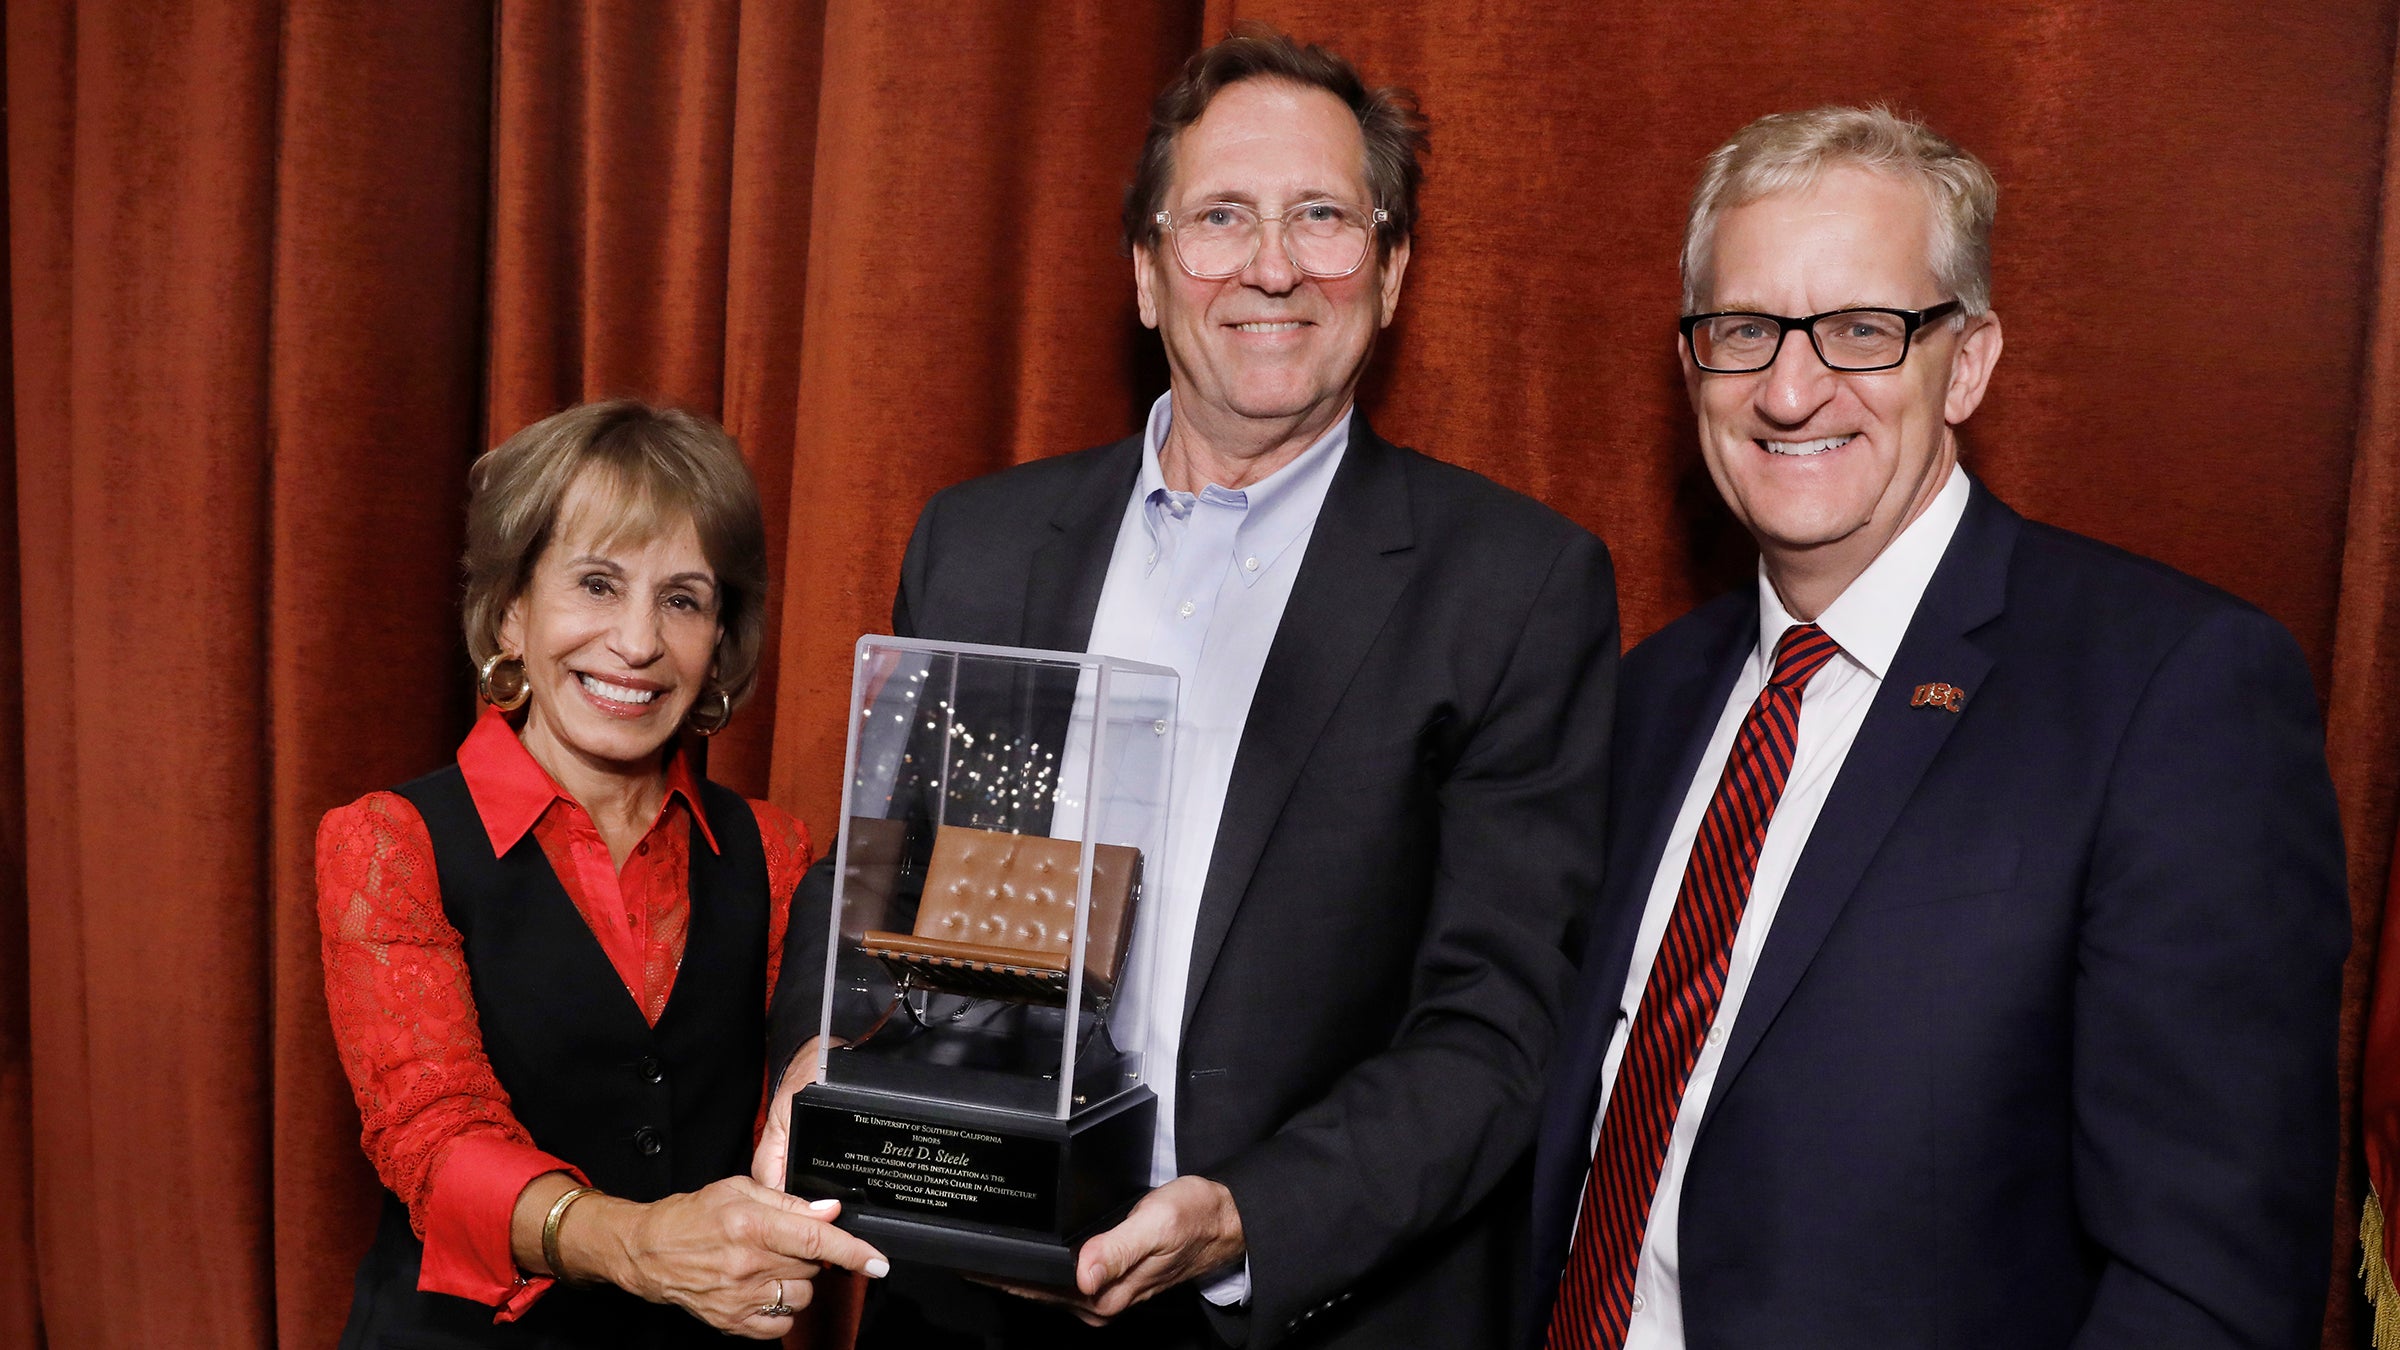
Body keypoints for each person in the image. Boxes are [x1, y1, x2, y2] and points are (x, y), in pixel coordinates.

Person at [755, 28, 1617, 1350]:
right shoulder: (980, 545)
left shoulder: (1513, 587)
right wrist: (825, 1046)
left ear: (1388, 271)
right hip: (965, 1296)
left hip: (1296, 1308)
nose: (1273, 266)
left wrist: (1244, 1218)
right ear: (1150, 275)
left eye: (1322, 216)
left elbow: (1498, 1027)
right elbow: (894, 883)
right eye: (1221, 218)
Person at [1527, 107, 2350, 1349]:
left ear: (1966, 363)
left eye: (1863, 330)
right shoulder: (1651, 695)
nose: (1791, 389)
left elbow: (2208, 1278)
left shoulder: (2169, 690)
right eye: (1744, 330)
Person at [318, 400, 888, 1346]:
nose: (635, 643)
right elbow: (431, 1138)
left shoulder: (778, 853)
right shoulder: (392, 842)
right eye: (595, 583)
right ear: (511, 611)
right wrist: (639, 1243)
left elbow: (814, 1124)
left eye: (682, 599)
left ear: (718, 646)